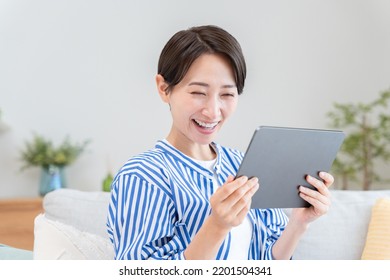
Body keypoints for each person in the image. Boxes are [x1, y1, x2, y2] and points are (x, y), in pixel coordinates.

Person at [106, 25, 333, 260]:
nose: (213, 111)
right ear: (164, 89)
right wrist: (216, 226)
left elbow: (265, 261)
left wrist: (298, 224)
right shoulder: (143, 175)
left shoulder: (244, 164)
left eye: (227, 94)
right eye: (198, 93)